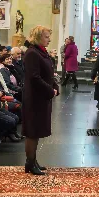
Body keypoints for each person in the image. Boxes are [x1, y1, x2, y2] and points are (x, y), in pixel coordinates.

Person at [22, 25, 60, 175]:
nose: (49, 39)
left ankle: (32, 160)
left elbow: (48, 73)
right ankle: (30, 163)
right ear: (37, 37)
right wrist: (50, 90)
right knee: (32, 132)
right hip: (34, 99)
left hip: (41, 98)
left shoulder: (41, 53)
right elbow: (34, 77)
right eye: (46, 36)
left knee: (36, 131)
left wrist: (55, 85)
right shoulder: (32, 53)